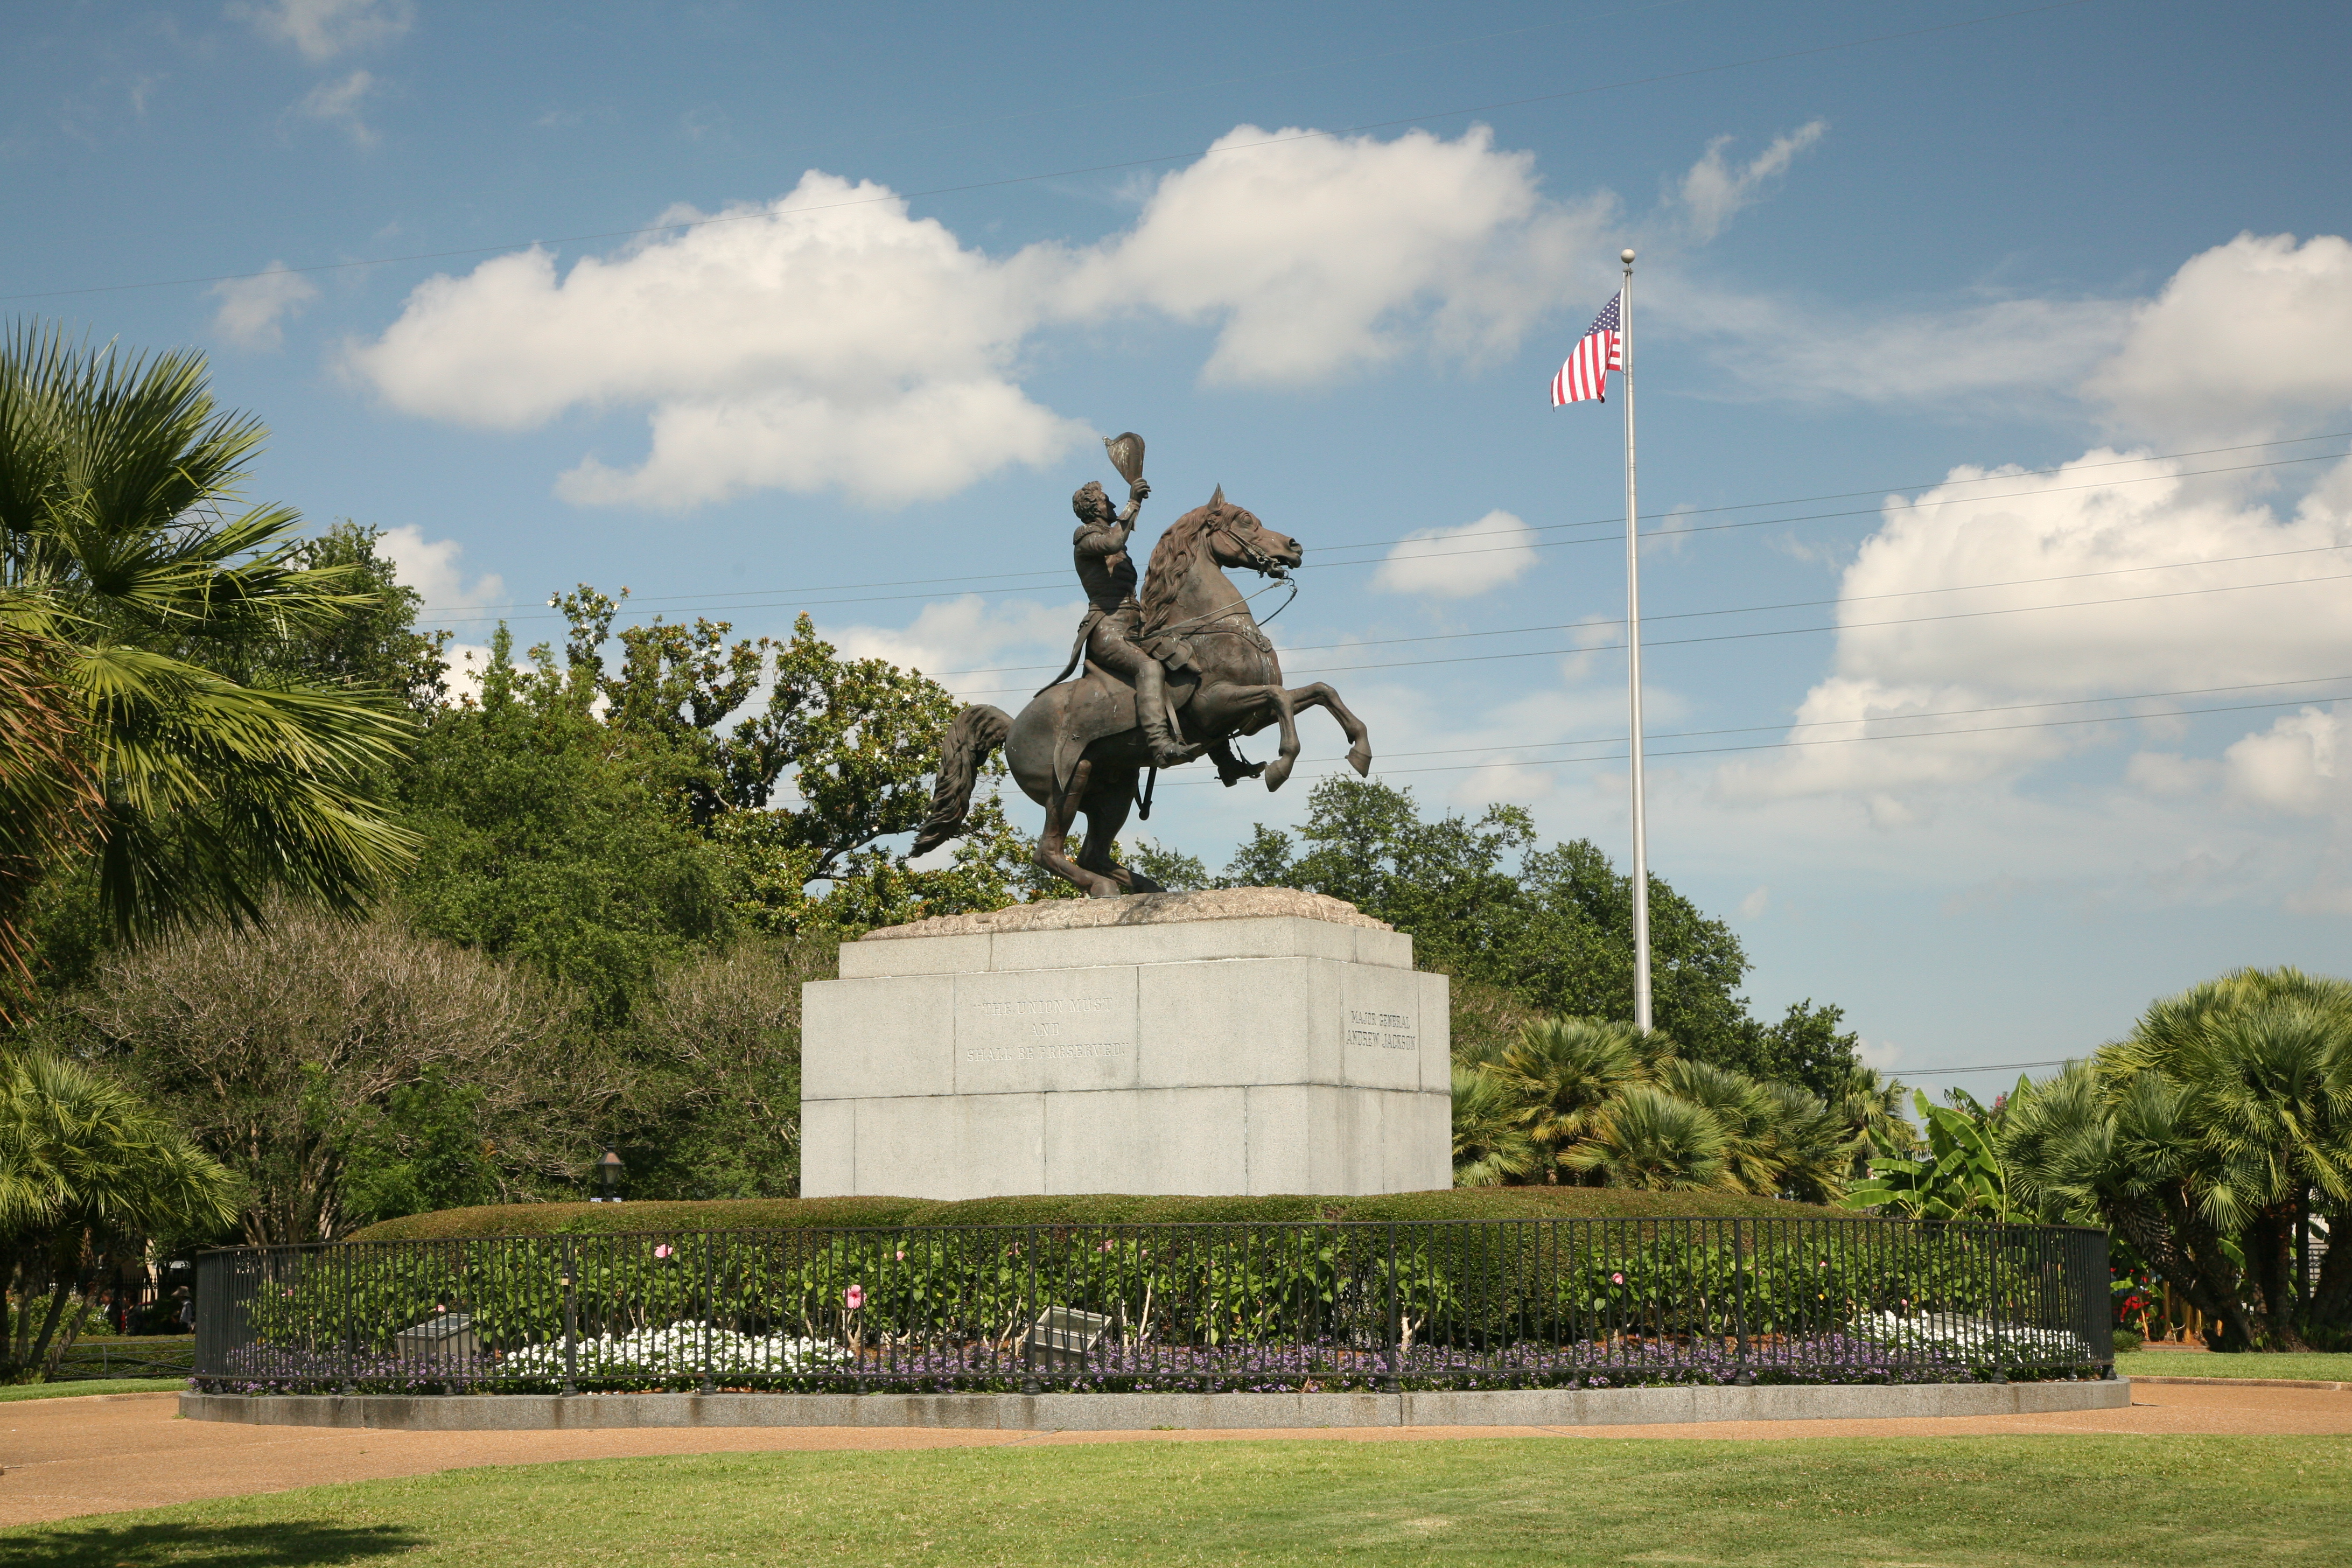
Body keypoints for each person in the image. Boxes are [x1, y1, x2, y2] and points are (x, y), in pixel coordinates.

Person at [1044, 478, 1189, 767]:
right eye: (1105, 500)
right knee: (1149, 667)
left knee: (1187, 655)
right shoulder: (1085, 540)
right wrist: (1132, 502)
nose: (1110, 505)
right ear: (1093, 508)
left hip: (1137, 626)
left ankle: (1223, 754)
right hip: (1109, 629)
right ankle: (1161, 746)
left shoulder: (1111, 540)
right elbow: (1114, 540)